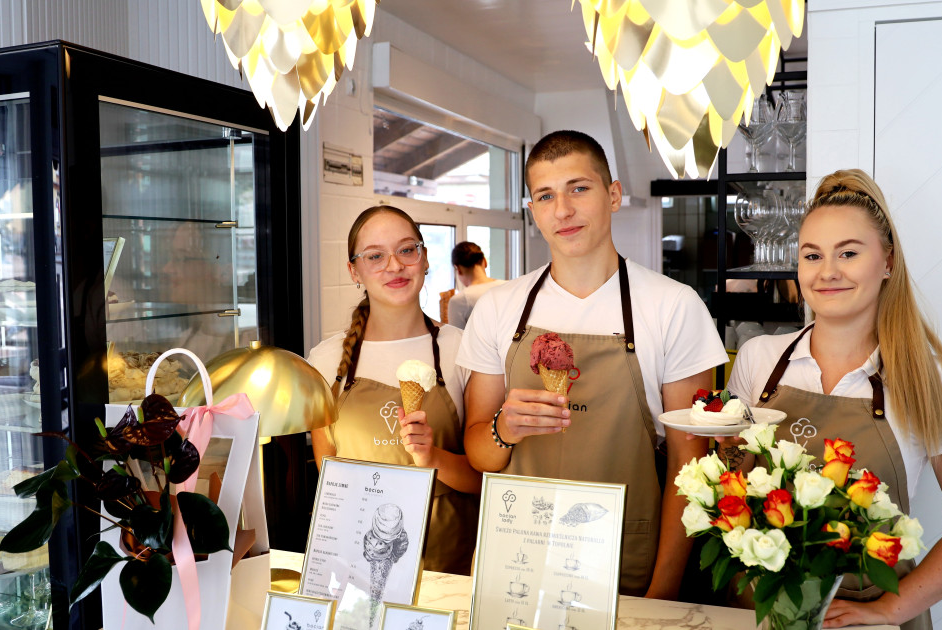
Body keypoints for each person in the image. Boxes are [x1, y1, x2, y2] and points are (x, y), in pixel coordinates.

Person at [456, 130, 728, 598]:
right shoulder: (499, 309)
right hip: (518, 559)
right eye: (546, 195)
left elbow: (691, 467)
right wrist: (505, 426)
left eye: (578, 188)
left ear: (614, 194)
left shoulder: (672, 306)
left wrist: (659, 597)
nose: (563, 210)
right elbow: (481, 454)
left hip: (625, 559)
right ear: (533, 209)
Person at [727, 170, 942, 629]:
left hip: (867, 618)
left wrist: (888, 610)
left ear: (888, 262)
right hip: (763, 611)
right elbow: (731, 490)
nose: (828, 271)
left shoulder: (925, 378)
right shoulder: (759, 360)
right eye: (812, 255)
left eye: (848, 253)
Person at [307, 205, 480, 575]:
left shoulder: (461, 350)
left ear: (424, 257)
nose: (395, 266)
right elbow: (330, 477)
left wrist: (432, 457)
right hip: (356, 557)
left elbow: (486, 480)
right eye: (375, 256)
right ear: (354, 271)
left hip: (445, 564)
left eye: (406, 250)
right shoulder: (325, 360)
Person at [447, 241, 505, 328]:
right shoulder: (509, 286)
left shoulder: (459, 300)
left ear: (458, 268)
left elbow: (456, 339)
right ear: (485, 261)